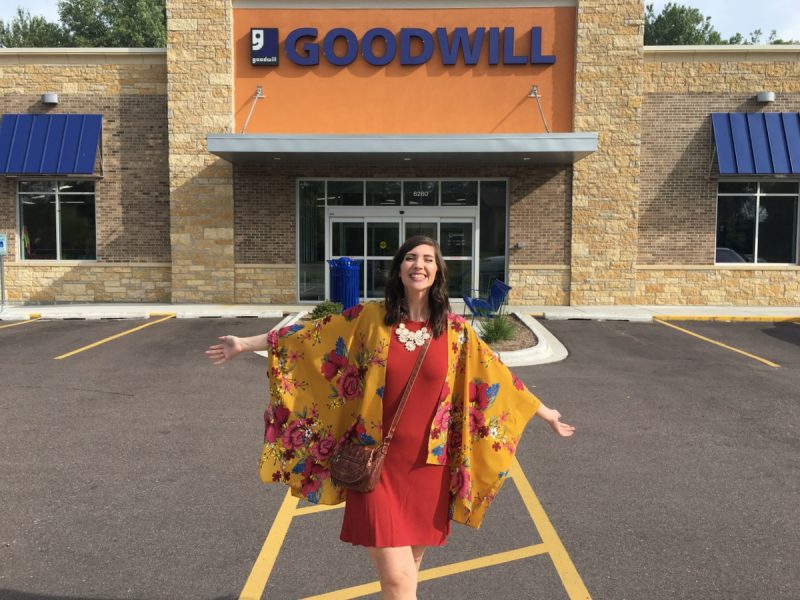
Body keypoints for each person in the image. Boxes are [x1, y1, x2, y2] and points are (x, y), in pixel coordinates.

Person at [206, 235, 574, 599]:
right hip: (375, 464)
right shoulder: (371, 320)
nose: (420, 265)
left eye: (429, 259)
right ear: (399, 269)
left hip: (428, 468)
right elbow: (310, 336)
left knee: (406, 577)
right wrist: (246, 343)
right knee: (399, 583)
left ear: (438, 272)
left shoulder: (455, 332)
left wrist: (546, 413)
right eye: (411, 258)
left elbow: (499, 377)